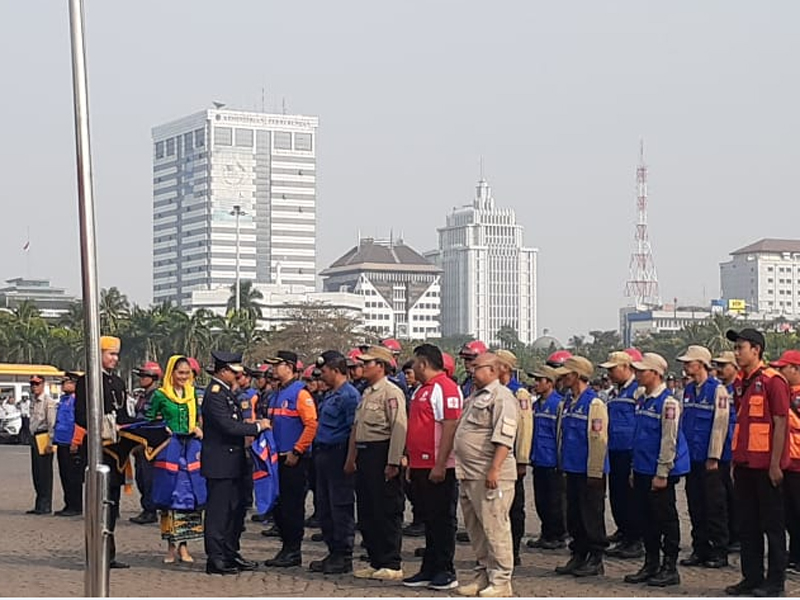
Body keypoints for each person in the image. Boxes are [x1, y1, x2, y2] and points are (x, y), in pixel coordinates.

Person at [725, 328, 789, 597]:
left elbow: (780, 422)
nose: (737, 352)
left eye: (741, 347)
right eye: (736, 347)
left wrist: (775, 464)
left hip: (766, 467)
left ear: (756, 350)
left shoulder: (774, 381)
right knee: (747, 525)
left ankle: (775, 582)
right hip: (744, 465)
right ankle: (751, 578)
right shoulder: (740, 382)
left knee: (773, 527)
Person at [454, 353, 519, 598]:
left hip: (490, 474)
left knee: (495, 528)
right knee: (477, 530)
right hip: (470, 473)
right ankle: (484, 574)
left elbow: (505, 436)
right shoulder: (475, 396)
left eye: (477, 367)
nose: (472, 370)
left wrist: (494, 468)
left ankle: (502, 580)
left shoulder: (502, 397)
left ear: (492, 370)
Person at [201, 351, 270, 575]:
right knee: (219, 513)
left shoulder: (227, 393)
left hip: (233, 462)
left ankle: (230, 552)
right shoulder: (215, 394)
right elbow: (228, 426)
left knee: (234, 511)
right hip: (220, 463)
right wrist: (258, 427)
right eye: (234, 372)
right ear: (223, 371)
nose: (238, 376)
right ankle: (216, 558)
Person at [624, 353, 690, 588]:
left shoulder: (668, 402)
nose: (638, 374)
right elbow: (639, 436)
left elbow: (668, 440)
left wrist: (662, 472)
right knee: (646, 519)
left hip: (660, 471)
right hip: (642, 468)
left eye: (642, 371)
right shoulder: (643, 399)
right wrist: (634, 467)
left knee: (665, 519)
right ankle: (651, 563)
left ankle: (670, 566)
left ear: (655, 373)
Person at [403, 343, 463, 591]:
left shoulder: (445, 388)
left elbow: (450, 425)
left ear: (424, 363)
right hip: (419, 465)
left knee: (442, 519)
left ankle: (445, 570)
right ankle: (429, 567)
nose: (413, 367)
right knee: (428, 519)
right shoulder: (421, 390)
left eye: (416, 363)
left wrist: (440, 464)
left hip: (439, 467)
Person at [72, 335, 135, 569]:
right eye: (110, 354)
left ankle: (109, 554)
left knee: (112, 503)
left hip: (116, 451)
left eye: (117, 354)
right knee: (97, 502)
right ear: (98, 355)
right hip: (97, 448)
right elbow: (80, 415)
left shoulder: (118, 382)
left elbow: (124, 414)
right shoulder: (87, 381)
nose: (115, 359)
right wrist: (102, 425)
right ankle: (95, 554)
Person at [347, 346, 408, 581]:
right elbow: (356, 428)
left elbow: (398, 428)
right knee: (367, 509)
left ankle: (391, 562)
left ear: (381, 366)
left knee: (386, 509)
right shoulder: (366, 392)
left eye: (368, 363)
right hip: (365, 454)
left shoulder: (391, 392)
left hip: (381, 452)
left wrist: (393, 461)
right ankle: (375, 560)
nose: (362, 367)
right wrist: (352, 457)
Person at [676, 345, 731, 569]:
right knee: (695, 504)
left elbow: (721, 424)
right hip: (692, 457)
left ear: (701, 364)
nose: (686, 366)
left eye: (690, 362)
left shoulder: (717, 390)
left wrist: (714, 455)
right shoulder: (688, 390)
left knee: (714, 506)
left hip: (711, 459)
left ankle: (719, 550)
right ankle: (700, 549)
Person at [147, 355, 206, 564]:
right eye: (180, 373)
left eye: (187, 373)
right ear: (171, 373)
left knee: (189, 500)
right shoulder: (160, 395)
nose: (183, 377)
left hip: (190, 450)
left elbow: (200, 418)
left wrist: (199, 429)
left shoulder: (194, 394)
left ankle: (185, 546)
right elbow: (148, 420)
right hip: (169, 450)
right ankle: (170, 546)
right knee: (169, 498)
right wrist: (162, 429)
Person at [554, 356, 609, 577]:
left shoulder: (594, 403)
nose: (562, 379)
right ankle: (578, 554)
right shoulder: (567, 402)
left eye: (566, 375)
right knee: (574, 514)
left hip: (589, 470)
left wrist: (595, 471)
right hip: (571, 467)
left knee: (591, 514)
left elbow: (597, 439)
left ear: (576, 376)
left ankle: (595, 558)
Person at [263, 350, 318, 568]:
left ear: (288, 366)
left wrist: (297, 451)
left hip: (292, 459)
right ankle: (285, 547)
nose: (273, 370)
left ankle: (293, 550)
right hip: (276, 458)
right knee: (279, 506)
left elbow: (311, 424)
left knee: (292, 506)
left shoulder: (300, 393)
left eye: (277, 366)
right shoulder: (277, 392)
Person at [308, 350, 359, 575]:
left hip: (339, 454)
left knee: (340, 506)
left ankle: (343, 554)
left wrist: (350, 459)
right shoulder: (330, 394)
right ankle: (332, 551)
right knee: (325, 506)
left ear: (336, 371)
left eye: (325, 371)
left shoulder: (350, 396)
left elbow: (353, 431)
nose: (322, 375)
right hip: (323, 454)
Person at [599, 350, 643, 559]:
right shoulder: (615, 393)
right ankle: (623, 530)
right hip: (614, 450)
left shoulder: (638, 391)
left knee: (631, 498)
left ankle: (634, 539)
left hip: (629, 451)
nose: (609, 374)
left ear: (627, 367)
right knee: (617, 496)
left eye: (612, 369)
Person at [495, 349, 533, 567]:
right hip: (495, 458)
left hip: (511, 457)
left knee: (514, 506)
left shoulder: (519, 393)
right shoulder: (494, 391)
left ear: (506, 368)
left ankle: (514, 549)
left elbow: (525, 428)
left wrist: (522, 459)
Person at [527, 365, 567, 550]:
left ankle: (557, 535)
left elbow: (560, 434)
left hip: (552, 461)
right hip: (538, 458)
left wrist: (560, 461)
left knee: (554, 501)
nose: (535, 384)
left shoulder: (558, 404)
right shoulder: (536, 406)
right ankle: (546, 532)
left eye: (539, 380)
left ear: (549, 383)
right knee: (541, 500)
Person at [712, 350, 740, 553]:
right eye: (717, 365)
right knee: (721, 495)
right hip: (721, 447)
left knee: (734, 495)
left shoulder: (739, 389)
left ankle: (737, 535)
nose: (719, 370)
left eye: (724, 365)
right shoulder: (720, 389)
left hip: (734, 447)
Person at [130, 361, 163, 525]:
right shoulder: (143, 395)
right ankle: (146, 507)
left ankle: (150, 510)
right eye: (141, 376)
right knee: (141, 477)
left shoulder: (159, 396)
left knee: (149, 478)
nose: (141, 379)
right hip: (139, 442)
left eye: (145, 376)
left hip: (152, 444)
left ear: (154, 378)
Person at [26, 375, 57, 515]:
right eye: (32, 384)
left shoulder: (48, 402)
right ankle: (39, 503)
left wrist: (51, 442)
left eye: (37, 384)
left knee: (44, 473)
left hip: (44, 437)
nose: (34, 386)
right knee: (37, 472)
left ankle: (45, 505)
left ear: (43, 384)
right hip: (35, 436)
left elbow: (51, 423)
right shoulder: (33, 401)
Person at [53, 372, 82, 517]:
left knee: (73, 476)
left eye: (66, 382)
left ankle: (76, 505)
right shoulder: (64, 399)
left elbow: (78, 422)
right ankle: (68, 503)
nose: (63, 385)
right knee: (64, 474)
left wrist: (75, 441)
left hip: (71, 442)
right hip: (61, 441)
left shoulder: (77, 400)